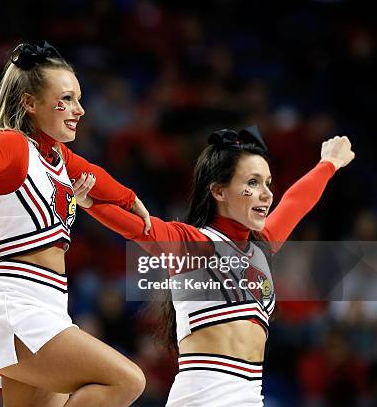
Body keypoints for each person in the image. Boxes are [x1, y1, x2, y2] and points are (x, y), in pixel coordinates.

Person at [0, 41, 148, 406]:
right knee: (127, 381)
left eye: (79, 98)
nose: (80, 110)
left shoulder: (57, 157)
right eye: (68, 99)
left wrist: (130, 199)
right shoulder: (12, 146)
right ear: (29, 103)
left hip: (50, 303)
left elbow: (96, 176)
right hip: (18, 307)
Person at [72, 126, 355, 406]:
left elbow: (295, 202)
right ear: (219, 191)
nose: (267, 194)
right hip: (202, 397)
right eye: (253, 183)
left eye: (268, 182)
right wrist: (88, 201)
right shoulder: (191, 242)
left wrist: (329, 163)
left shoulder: (262, 246)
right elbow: (135, 227)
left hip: (250, 396)